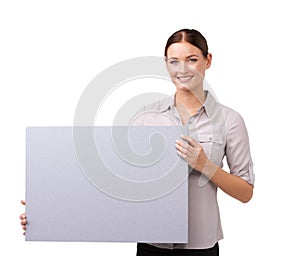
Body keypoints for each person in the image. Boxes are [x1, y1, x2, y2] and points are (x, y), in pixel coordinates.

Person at [20, 29, 254, 256]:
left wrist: (205, 165)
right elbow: (116, 181)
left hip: (200, 246)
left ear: (208, 60)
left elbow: (245, 192)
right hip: (151, 244)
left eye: (191, 59)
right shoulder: (145, 117)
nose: (182, 69)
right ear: (166, 64)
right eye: (174, 61)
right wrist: (46, 208)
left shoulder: (230, 120)